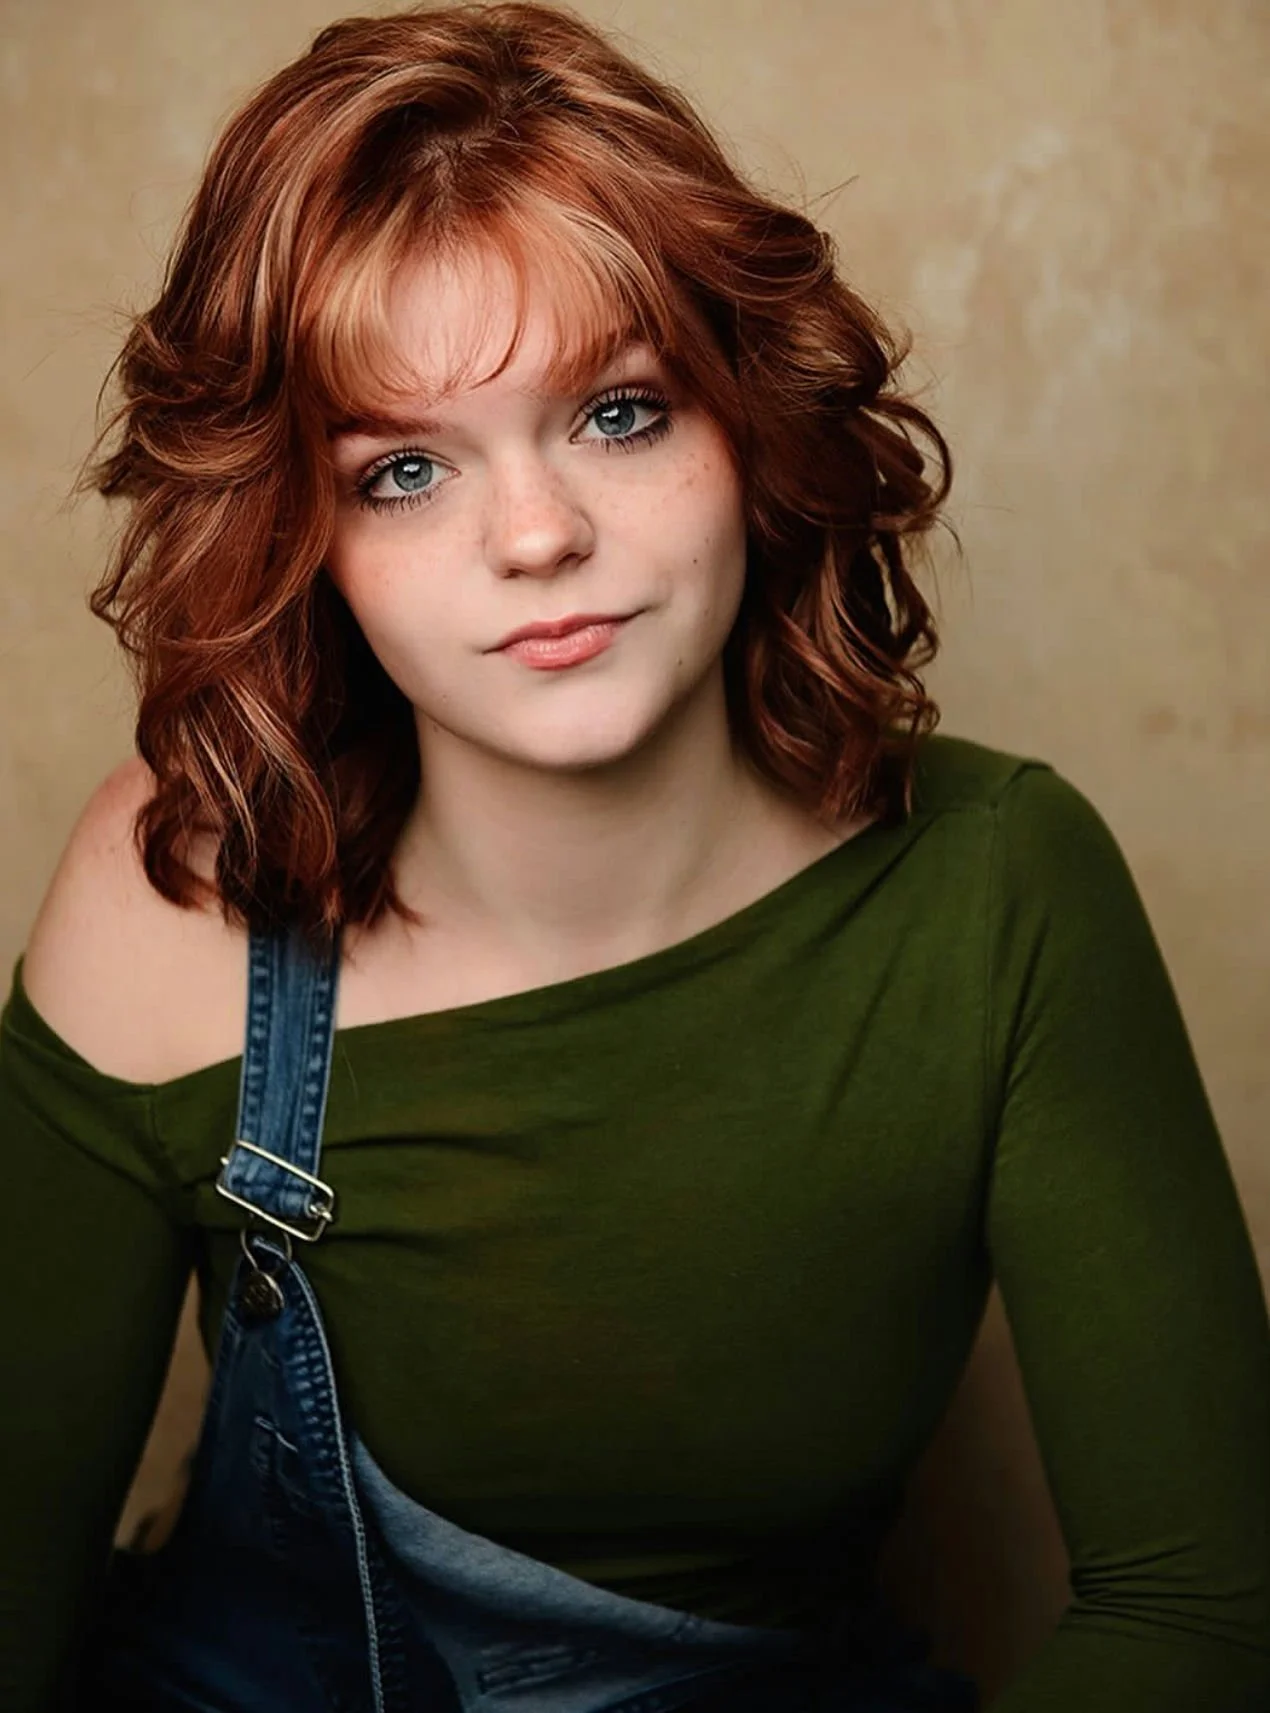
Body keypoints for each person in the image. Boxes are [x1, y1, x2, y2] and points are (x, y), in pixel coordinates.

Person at [2, 2, 1268, 1708]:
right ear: (303, 537)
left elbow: (1195, 1610)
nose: (536, 536)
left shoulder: (995, 888)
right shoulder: (178, 896)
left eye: (615, 412)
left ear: (746, 421)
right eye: (403, 471)